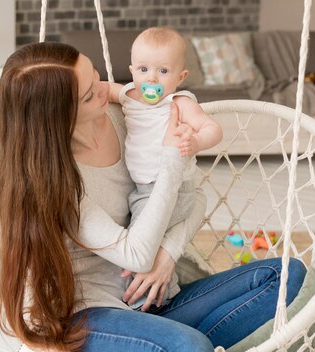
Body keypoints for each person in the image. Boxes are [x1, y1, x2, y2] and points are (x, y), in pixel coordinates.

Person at [0, 41, 306, 352]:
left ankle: (164, 342)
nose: (106, 90)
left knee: (284, 274)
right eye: (89, 95)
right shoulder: (52, 182)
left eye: (97, 75)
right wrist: (171, 159)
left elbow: (195, 198)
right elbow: (136, 256)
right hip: (91, 315)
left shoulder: (126, 115)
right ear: (58, 117)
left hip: (155, 299)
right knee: (190, 345)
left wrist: (168, 254)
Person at [107, 27, 223, 309]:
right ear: (132, 71)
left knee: (141, 247)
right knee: (151, 246)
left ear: (180, 77)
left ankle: (143, 302)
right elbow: (99, 88)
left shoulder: (179, 103)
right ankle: (167, 292)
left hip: (173, 192)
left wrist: (195, 141)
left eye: (163, 71)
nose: (151, 78)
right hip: (143, 191)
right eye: (144, 69)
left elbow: (214, 129)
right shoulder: (129, 95)